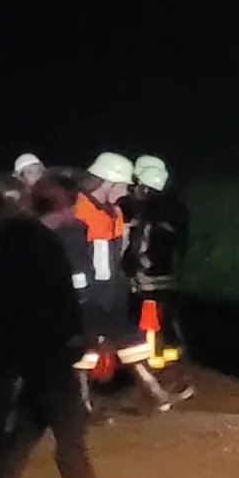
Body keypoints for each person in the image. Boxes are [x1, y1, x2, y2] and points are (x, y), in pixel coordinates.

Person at [0, 172, 149, 478]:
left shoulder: (18, 242)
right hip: (50, 352)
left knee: (25, 434)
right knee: (70, 437)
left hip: (32, 351)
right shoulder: (42, 245)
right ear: (63, 204)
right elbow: (56, 302)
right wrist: (77, 336)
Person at [64, 152, 188, 414]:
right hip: (88, 294)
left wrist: (121, 286)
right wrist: (82, 295)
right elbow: (76, 258)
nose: (124, 192)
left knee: (130, 341)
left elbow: (117, 255)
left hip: (111, 291)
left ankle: (157, 395)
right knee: (87, 350)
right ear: (105, 182)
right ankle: (83, 406)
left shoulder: (114, 213)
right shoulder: (79, 213)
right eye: (121, 186)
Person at [121, 159, 192, 355]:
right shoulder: (175, 209)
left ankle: (153, 352)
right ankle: (172, 348)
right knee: (166, 314)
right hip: (167, 273)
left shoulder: (144, 213)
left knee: (147, 315)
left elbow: (139, 245)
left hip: (148, 275)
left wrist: (131, 265)